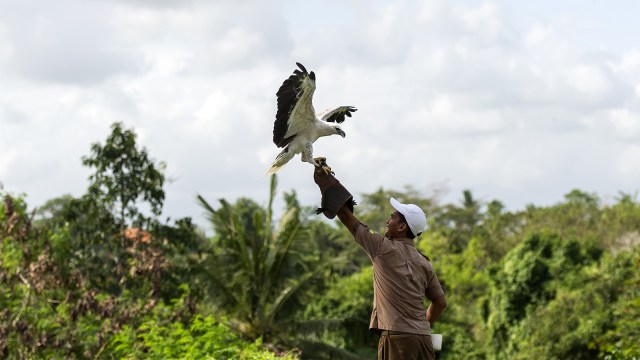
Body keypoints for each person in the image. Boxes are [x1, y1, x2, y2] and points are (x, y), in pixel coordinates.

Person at [313, 163, 447, 360]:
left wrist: (326, 181)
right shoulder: (424, 263)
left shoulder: (382, 248)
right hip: (424, 341)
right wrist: (420, 327)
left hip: (397, 340)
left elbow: (345, 215)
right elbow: (440, 302)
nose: (388, 220)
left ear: (402, 226)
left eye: (392, 217)